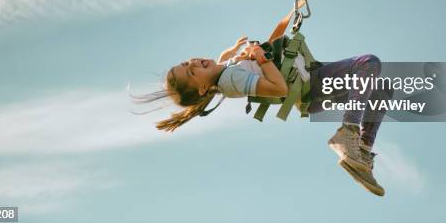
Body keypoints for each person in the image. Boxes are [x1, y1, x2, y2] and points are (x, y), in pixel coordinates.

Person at [143, 36, 393, 196]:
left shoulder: (227, 72)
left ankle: (361, 152)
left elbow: (233, 59)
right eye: (191, 72)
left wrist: (240, 51)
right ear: (202, 89)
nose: (193, 63)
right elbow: (278, 88)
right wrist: (261, 59)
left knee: (381, 90)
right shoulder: (231, 80)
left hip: (308, 86)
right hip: (310, 86)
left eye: (187, 62)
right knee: (368, 63)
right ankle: (348, 135)